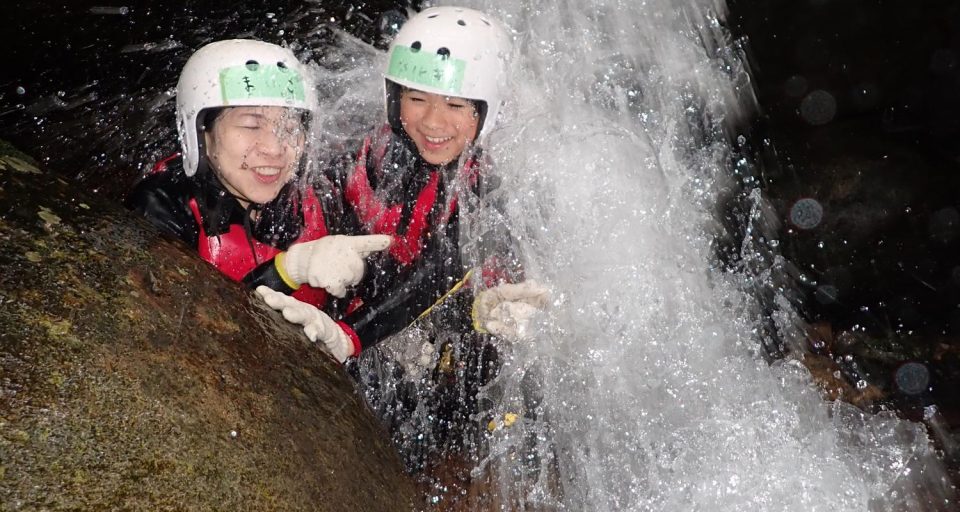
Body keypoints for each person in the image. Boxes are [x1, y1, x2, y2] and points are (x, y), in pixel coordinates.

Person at [127, 39, 390, 345]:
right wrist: (289, 270)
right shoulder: (161, 206)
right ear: (203, 135)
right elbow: (183, 339)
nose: (275, 148)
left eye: (290, 127)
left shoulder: (317, 195)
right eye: (252, 125)